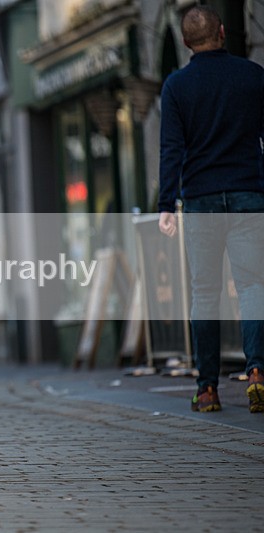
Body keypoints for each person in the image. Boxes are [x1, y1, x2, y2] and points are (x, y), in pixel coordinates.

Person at [158, 5, 264, 413]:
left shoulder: (176, 86)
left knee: (205, 293)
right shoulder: (253, 76)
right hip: (248, 195)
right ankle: (257, 371)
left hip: (201, 199)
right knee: (253, 286)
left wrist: (167, 203)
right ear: (222, 32)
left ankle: (207, 389)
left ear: (186, 42)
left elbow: (172, 149)